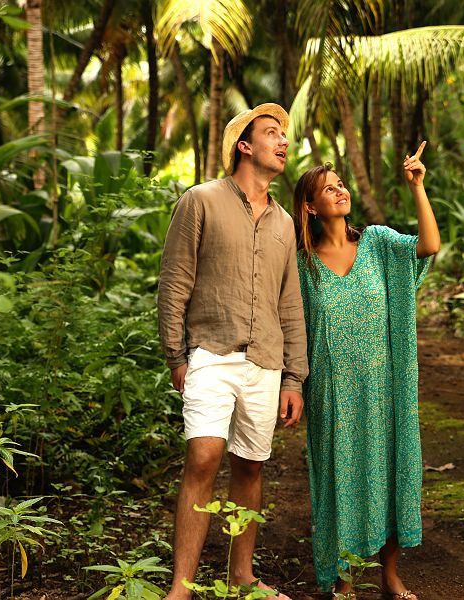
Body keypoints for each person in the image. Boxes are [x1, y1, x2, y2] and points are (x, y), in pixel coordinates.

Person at [158, 103, 308, 600]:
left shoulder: (286, 223)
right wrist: (176, 356)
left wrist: (293, 378)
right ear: (244, 146)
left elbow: (290, 302)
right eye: (271, 133)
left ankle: (240, 576)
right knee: (203, 456)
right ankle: (181, 587)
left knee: (250, 466)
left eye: (284, 134)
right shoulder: (199, 201)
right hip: (210, 352)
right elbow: (174, 282)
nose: (282, 141)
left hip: (266, 360)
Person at [292, 142, 440, 599]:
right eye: (327, 188)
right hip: (332, 394)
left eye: (340, 185)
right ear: (310, 207)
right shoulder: (302, 264)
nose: (339, 191)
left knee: (391, 472)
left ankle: (391, 576)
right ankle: (343, 580)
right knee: (340, 481)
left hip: (384, 387)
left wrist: (418, 187)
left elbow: (429, 245)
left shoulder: (376, 243)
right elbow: (292, 328)